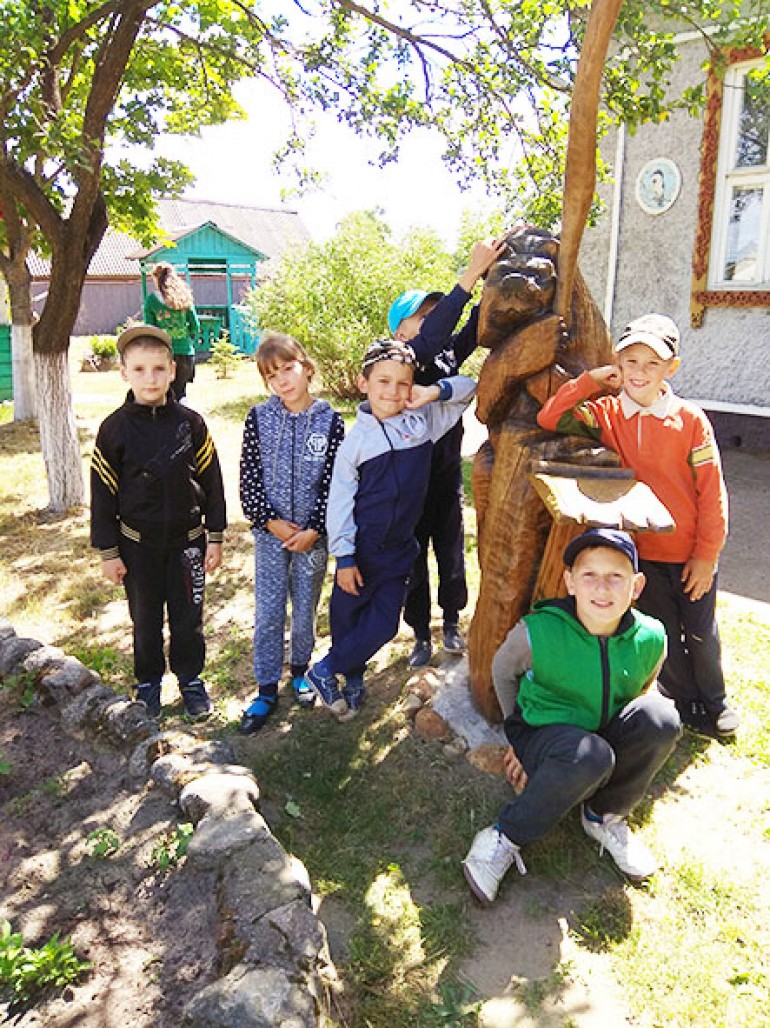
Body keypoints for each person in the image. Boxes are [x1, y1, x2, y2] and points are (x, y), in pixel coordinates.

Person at [537, 313, 738, 739]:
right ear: (618, 365)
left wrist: (706, 555)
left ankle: (716, 702)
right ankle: (685, 703)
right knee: (662, 631)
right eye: (631, 362)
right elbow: (550, 418)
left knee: (700, 631)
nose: (639, 373)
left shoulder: (689, 420)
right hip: (643, 553)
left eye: (652, 363)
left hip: (690, 553)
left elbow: (711, 492)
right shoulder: (608, 414)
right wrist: (591, 380)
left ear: (671, 368)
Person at [462, 529, 682, 904]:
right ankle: (503, 835)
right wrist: (520, 737)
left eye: (616, 576)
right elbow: (502, 671)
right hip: (547, 731)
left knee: (663, 718)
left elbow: (647, 685)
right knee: (589, 756)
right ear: (570, 582)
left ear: (637, 585)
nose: (602, 588)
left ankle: (602, 814)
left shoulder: (651, 636)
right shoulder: (539, 632)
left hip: (602, 732)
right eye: (589, 576)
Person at [307, 339, 477, 719]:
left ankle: (323, 669)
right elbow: (339, 503)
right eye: (383, 381)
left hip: (401, 550)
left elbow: (468, 390)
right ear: (363, 382)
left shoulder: (422, 423)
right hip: (361, 550)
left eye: (403, 383)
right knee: (348, 623)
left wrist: (433, 390)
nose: (394, 392)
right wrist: (345, 555)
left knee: (383, 625)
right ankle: (351, 680)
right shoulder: (355, 443)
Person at [90, 324, 226, 720]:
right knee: (145, 620)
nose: (149, 379)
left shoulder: (191, 424)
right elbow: (102, 493)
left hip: (187, 543)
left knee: (188, 619)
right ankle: (148, 682)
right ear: (124, 373)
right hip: (137, 545)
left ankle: (190, 681)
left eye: (157, 369)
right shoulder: (114, 429)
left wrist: (214, 536)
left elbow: (211, 480)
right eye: (139, 370)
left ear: (172, 370)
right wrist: (108, 551)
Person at [388, 238, 507, 668]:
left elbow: (472, 328)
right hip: (408, 485)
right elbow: (440, 331)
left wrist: (494, 273)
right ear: (400, 330)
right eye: (422, 316)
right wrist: (469, 274)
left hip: (445, 477)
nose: (431, 322)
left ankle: (452, 621)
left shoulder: (443, 358)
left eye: (431, 315)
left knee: (452, 553)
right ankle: (420, 633)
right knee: (414, 560)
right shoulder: (399, 359)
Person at [238, 332, 345, 734]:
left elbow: (337, 483)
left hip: (312, 540)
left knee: (304, 610)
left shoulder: (330, 421)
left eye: (288, 369)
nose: (282, 380)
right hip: (270, 536)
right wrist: (271, 521)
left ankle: (300, 671)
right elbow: (249, 481)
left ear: (306, 367)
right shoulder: (258, 419)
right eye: (272, 375)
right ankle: (266, 687)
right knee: (268, 612)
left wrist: (315, 529)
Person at [144, 262, 201, 401]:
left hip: (165, 354)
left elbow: (150, 329)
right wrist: (187, 338)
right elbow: (195, 326)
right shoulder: (184, 298)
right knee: (181, 393)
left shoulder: (152, 300)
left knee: (166, 395)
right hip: (186, 353)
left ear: (156, 278)